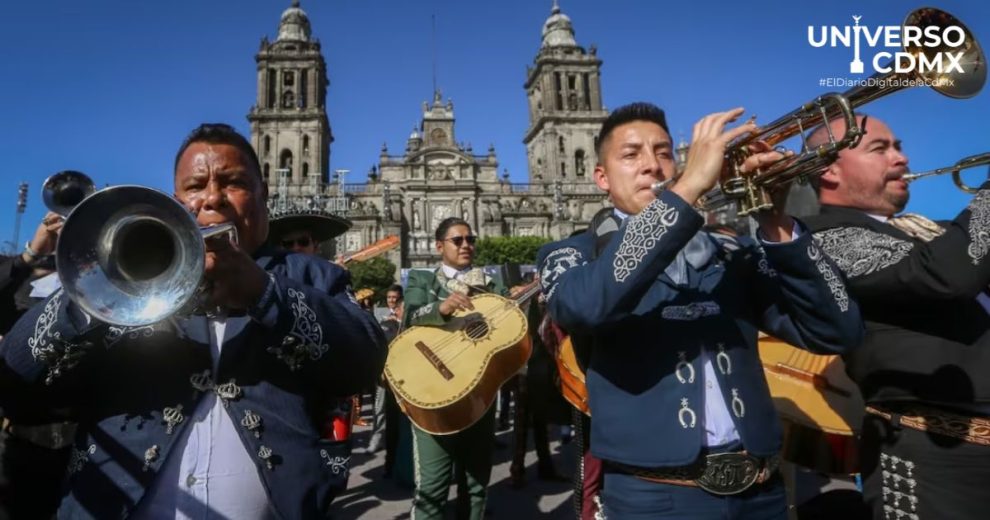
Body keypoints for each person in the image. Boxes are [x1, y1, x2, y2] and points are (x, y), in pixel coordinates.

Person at [0, 123, 386, 518]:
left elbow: (366, 362)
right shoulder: (118, 275)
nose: (213, 198)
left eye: (233, 182)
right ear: (176, 201)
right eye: (196, 186)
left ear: (263, 197)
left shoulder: (312, 275)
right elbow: (15, 373)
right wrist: (97, 292)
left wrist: (263, 292)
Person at [536, 102, 863, 518]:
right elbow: (583, 309)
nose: (652, 166)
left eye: (664, 152)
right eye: (631, 154)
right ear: (602, 177)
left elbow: (836, 330)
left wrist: (775, 220)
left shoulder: (730, 251)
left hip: (762, 494)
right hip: (653, 499)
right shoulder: (570, 254)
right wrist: (686, 190)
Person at [804, 113, 990, 519]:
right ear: (827, 170)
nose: (902, 159)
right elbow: (944, 276)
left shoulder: (933, 232)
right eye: (879, 148)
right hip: (933, 461)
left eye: (899, 146)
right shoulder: (819, 236)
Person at [403, 217, 509, 520]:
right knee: (432, 487)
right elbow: (409, 315)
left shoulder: (491, 284)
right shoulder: (422, 280)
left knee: (476, 484)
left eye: (470, 239)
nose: (467, 245)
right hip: (433, 392)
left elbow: (505, 330)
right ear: (439, 246)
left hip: (479, 393)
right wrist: (442, 308)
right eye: (458, 240)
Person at [0, 210, 74, 520]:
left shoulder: (94, 283)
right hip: (18, 445)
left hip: (78, 448)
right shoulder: (17, 282)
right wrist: (31, 253)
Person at [366, 284, 403, 478]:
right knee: (379, 409)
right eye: (389, 298)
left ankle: (398, 461)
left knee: (398, 420)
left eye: (395, 298)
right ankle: (376, 439)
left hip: (402, 379)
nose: (392, 301)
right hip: (383, 376)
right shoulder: (382, 319)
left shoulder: (405, 320)